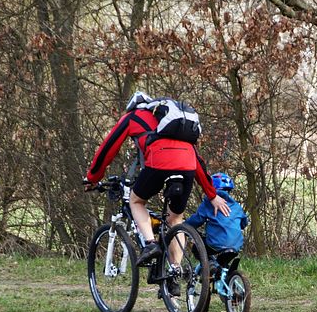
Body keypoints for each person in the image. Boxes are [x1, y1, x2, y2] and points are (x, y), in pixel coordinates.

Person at [83, 91, 230, 269]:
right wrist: (211, 194)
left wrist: (93, 177)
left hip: (158, 163)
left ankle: (151, 244)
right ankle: (175, 270)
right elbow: (195, 160)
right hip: (188, 167)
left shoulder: (133, 116)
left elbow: (108, 148)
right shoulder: (171, 123)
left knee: (136, 201)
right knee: (175, 219)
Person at [185, 172, 248, 253]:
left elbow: (197, 220)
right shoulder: (237, 206)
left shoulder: (208, 203)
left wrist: (184, 225)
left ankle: (209, 260)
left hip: (216, 244)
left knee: (196, 248)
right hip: (237, 245)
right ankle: (223, 260)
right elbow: (244, 223)